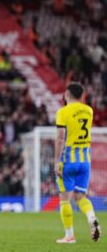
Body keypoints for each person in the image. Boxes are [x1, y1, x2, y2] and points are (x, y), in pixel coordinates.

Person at [54, 82, 101, 244]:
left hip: (68, 160)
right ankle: (92, 218)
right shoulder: (89, 110)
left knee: (65, 199)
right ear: (82, 96)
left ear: (66, 94)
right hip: (85, 161)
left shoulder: (62, 112)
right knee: (81, 197)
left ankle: (69, 235)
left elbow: (60, 138)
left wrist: (56, 162)